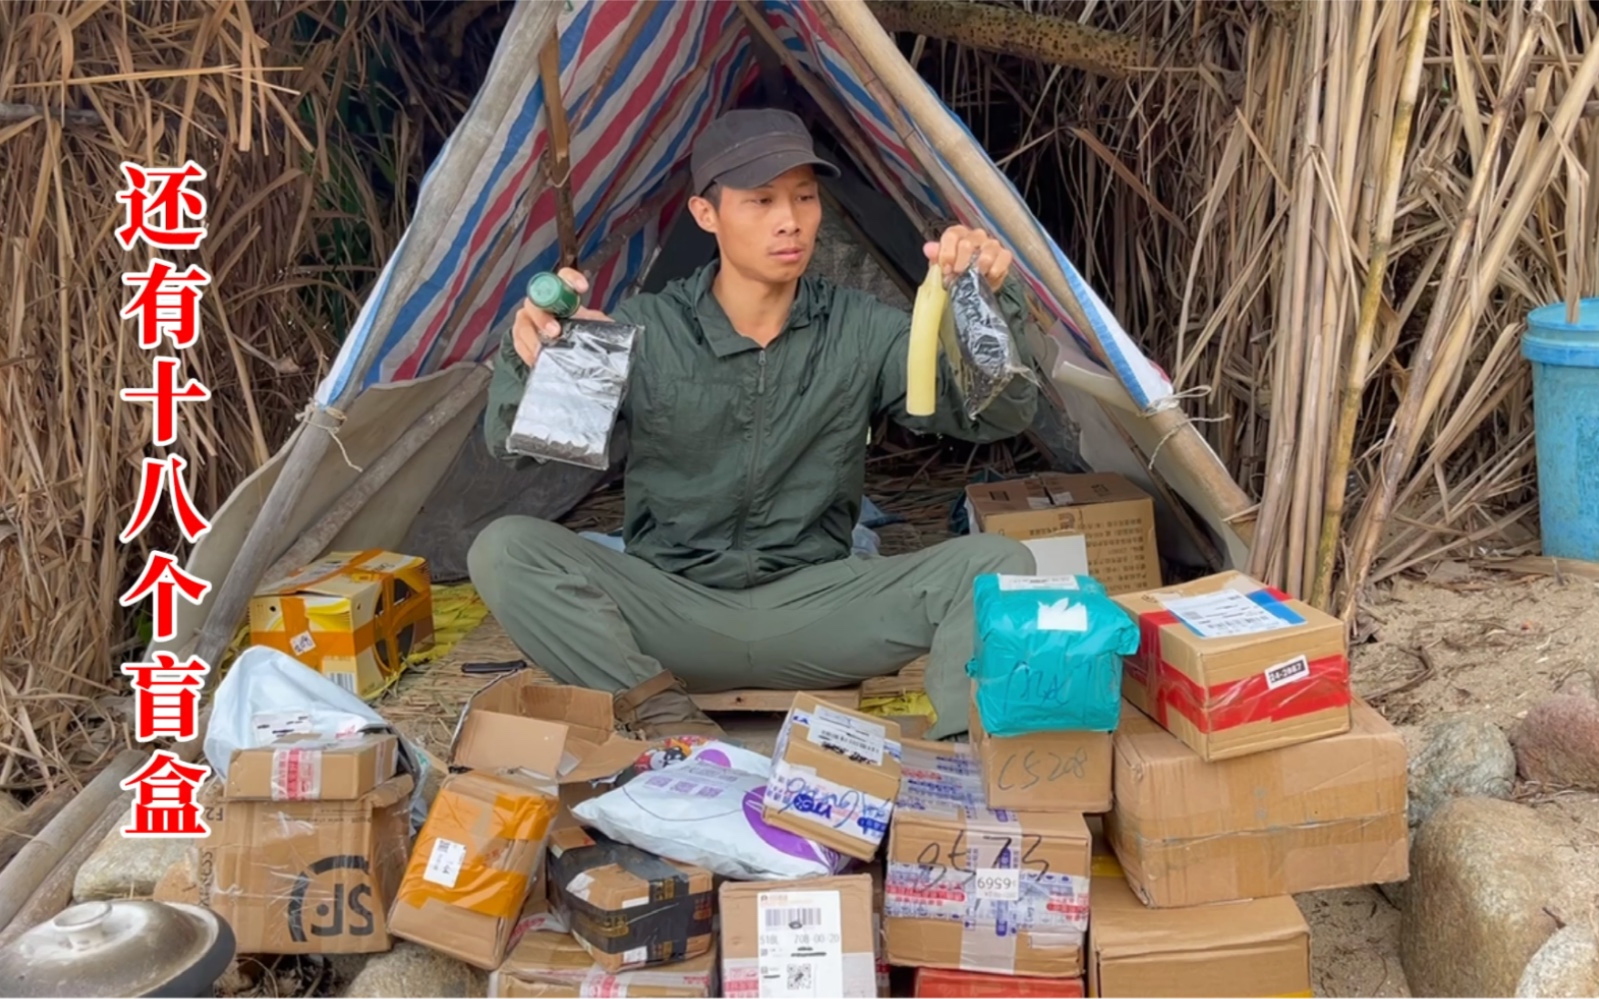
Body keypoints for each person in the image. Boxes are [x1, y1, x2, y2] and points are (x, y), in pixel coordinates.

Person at [471, 107, 1040, 741]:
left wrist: (988, 300)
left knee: (1001, 563)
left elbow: (997, 416)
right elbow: (519, 449)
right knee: (506, 549)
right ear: (705, 215)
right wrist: (535, 354)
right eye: (761, 200)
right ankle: (666, 719)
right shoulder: (647, 328)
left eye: (804, 196)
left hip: (819, 612)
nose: (789, 221)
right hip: (671, 609)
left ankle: (960, 763)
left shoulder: (862, 327)